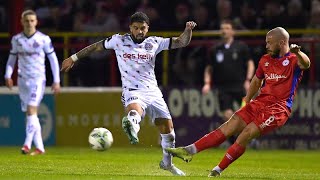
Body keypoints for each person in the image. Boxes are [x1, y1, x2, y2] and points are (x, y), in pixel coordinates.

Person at [61, 12, 197, 176]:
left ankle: (166, 164)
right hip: (132, 90)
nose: (140, 31)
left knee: (169, 132)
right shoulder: (119, 40)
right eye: (136, 28)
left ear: (148, 28)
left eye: (143, 28)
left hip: (153, 92)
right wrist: (73, 58)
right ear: (130, 28)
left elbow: (181, 42)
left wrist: (188, 29)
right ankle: (132, 126)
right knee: (135, 111)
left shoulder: (154, 42)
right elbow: (96, 46)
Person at [166, 27, 310, 177]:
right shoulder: (265, 60)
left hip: (278, 109)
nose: (266, 46)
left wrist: (298, 52)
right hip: (259, 103)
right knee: (229, 125)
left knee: (245, 134)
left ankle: (218, 169)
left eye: (269, 43)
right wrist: (247, 100)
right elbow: (256, 81)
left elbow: (306, 64)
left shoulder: (294, 59)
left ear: (281, 43)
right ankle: (189, 150)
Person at [4, 10, 61, 155]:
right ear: (22, 22)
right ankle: (40, 147)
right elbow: (12, 59)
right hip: (22, 80)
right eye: (27, 20)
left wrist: (56, 80)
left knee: (31, 110)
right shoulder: (17, 40)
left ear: (36, 22)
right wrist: (8, 75)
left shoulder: (43, 39)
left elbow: (53, 60)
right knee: (31, 115)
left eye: (32, 20)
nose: (29, 23)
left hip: (38, 79)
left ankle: (26, 144)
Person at [202, 19, 255, 144]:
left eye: (227, 28)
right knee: (227, 116)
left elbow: (250, 64)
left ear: (233, 31)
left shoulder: (241, 47)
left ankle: (247, 139)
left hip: (240, 86)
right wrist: (207, 83)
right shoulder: (215, 49)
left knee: (246, 115)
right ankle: (235, 142)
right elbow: (209, 68)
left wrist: (248, 80)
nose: (224, 31)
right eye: (222, 28)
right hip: (223, 88)